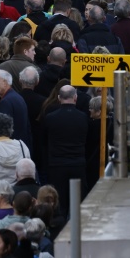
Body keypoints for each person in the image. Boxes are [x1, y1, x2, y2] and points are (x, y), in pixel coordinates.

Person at [41, 85, 88, 216]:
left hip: (56, 165)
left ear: (58, 98)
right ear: (75, 97)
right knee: (78, 203)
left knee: (59, 204)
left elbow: (43, 141)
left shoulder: (50, 118)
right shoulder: (83, 117)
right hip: (78, 163)